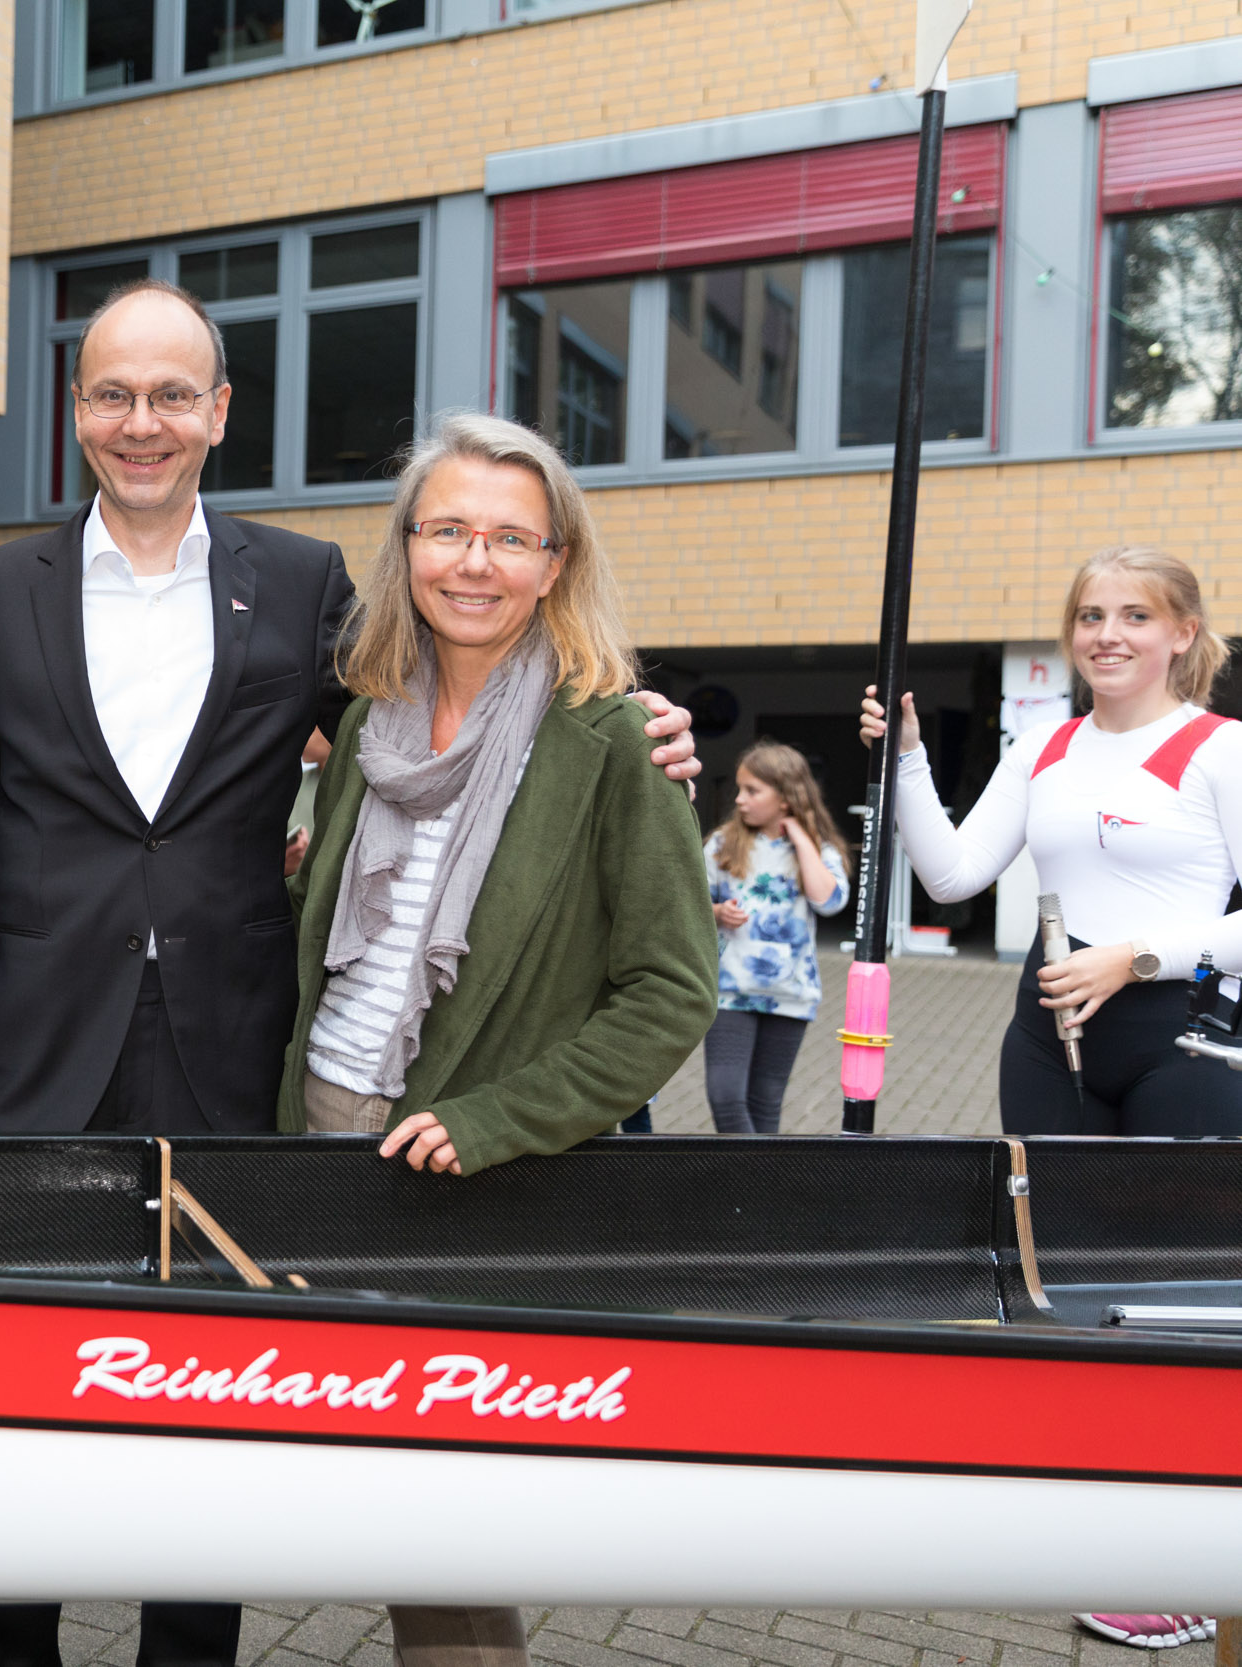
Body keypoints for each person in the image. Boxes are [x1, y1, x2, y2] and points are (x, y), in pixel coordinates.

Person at [0, 283, 698, 1667]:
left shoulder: (301, 584)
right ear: (74, 410)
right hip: (31, 1055)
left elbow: (458, 725)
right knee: (23, 1390)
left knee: (218, 1400)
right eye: (111, 393)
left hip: (236, 1049)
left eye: (172, 395)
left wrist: (636, 719)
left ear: (220, 412)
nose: (140, 422)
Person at [277, 412, 714, 1667]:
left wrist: (491, 1120)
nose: (474, 561)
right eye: (448, 529)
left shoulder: (616, 740)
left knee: (442, 1523)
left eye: (509, 537)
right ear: (406, 546)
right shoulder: (370, 722)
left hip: (458, 1164)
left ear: (556, 561)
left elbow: (670, 990)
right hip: (318, 1126)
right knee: (325, 1471)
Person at [861, 546, 1242, 1145]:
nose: (1107, 635)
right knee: (1051, 1232)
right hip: (1048, 1036)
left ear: (1183, 633)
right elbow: (951, 878)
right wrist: (907, 757)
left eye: (1135, 616)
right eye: (1090, 616)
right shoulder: (1041, 747)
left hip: (1183, 1040)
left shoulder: (1223, 748)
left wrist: (1130, 958)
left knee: (1165, 1241)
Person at [702, 740, 850, 1134]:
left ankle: (753, 1192)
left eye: (752, 790)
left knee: (765, 1104)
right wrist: (716, 912)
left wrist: (801, 839)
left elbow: (830, 900)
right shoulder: (721, 845)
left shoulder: (818, 850)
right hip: (729, 990)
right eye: (739, 789)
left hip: (790, 994)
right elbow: (689, 903)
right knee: (725, 1096)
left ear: (786, 797)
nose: (740, 800)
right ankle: (754, 1188)